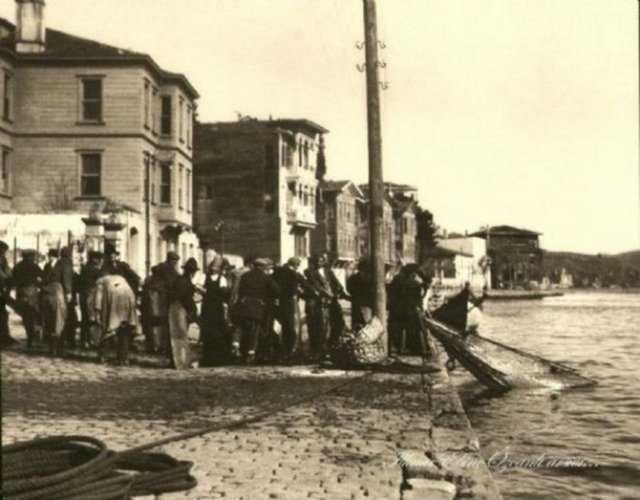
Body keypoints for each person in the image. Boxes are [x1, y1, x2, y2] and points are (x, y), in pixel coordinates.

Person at [92, 261, 139, 366]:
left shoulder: (101, 281)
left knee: (108, 329)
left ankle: (103, 356)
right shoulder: (122, 279)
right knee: (124, 330)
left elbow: (98, 298)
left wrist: (97, 312)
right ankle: (123, 358)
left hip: (114, 303)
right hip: (128, 301)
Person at [304, 254, 348, 361]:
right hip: (318, 303)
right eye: (318, 260)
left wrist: (340, 291)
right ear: (314, 262)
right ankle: (319, 351)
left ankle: (332, 347)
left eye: (322, 260)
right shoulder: (309, 272)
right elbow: (316, 286)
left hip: (331, 301)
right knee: (319, 327)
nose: (320, 262)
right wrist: (326, 294)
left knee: (339, 323)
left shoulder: (328, 271)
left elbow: (336, 283)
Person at [237, 258, 280, 364]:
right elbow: (276, 290)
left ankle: (241, 351)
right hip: (257, 306)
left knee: (244, 329)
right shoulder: (266, 277)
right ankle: (251, 353)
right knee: (255, 331)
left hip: (244, 305)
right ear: (262, 267)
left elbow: (240, 290)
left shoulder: (244, 276)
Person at [273, 257, 308, 363]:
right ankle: (289, 353)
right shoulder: (293, 274)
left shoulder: (277, 272)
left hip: (278, 303)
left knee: (279, 327)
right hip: (289, 303)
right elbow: (305, 285)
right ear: (296, 265)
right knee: (291, 328)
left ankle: (279, 352)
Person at [388, 264, 428, 356]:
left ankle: (399, 348)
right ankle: (421, 349)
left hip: (398, 309)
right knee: (418, 329)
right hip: (408, 310)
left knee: (399, 330)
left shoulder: (397, 279)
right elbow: (419, 296)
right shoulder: (414, 282)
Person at [168, 257, 200, 368]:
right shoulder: (185, 282)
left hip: (174, 308)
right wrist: (192, 311)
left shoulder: (180, 279)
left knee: (176, 335)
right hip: (181, 309)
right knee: (181, 336)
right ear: (192, 271)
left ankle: (177, 361)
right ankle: (181, 362)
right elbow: (185, 298)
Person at [200, 255, 232, 366]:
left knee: (218, 332)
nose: (214, 268)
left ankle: (218, 358)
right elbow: (199, 289)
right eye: (213, 266)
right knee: (207, 331)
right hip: (207, 307)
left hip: (217, 308)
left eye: (216, 266)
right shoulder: (205, 277)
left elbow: (225, 293)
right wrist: (203, 291)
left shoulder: (222, 279)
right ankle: (208, 357)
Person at [11, 249, 44, 349]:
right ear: (29, 257)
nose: (33, 258)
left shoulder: (18, 266)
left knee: (25, 316)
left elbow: (13, 279)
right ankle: (31, 337)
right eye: (33, 256)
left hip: (21, 293)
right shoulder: (34, 266)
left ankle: (29, 336)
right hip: (31, 293)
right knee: (32, 314)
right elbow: (43, 276)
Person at [78, 251, 103, 349]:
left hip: (83, 296)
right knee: (92, 319)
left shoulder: (84, 268)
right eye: (98, 259)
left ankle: (84, 340)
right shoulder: (95, 270)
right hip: (91, 296)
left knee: (85, 319)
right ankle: (92, 340)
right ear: (95, 259)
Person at [346, 258, 375, 331]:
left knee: (359, 328)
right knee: (365, 328)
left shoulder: (354, 278)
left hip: (359, 306)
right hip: (364, 307)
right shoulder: (371, 278)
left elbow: (349, 289)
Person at [0, 240, 15, 348]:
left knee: (3, 313)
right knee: (3, 313)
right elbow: (3, 275)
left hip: (2, 290)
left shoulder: (3, 260)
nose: (3, 253)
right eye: (2, 251)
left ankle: (4, 335)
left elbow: (8, 273)